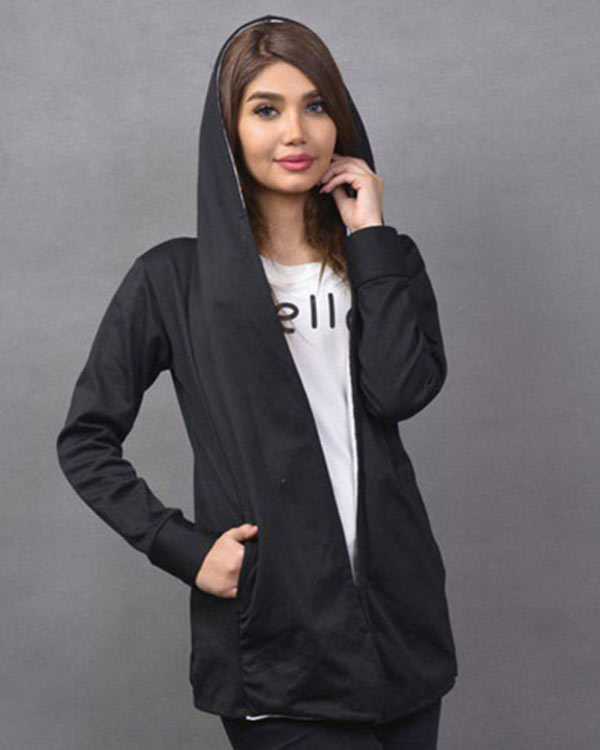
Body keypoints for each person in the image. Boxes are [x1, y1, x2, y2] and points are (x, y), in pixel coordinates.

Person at [56, 13, 458, 750]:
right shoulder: (173, 279)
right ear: (229, 130)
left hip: (401, 632)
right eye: (266, 109)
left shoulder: (384, 259)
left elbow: (400, 391)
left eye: (316, 105)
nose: (296, 132)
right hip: (277, 644)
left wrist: (370, 237)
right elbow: (85, 440)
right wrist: (181, 546)